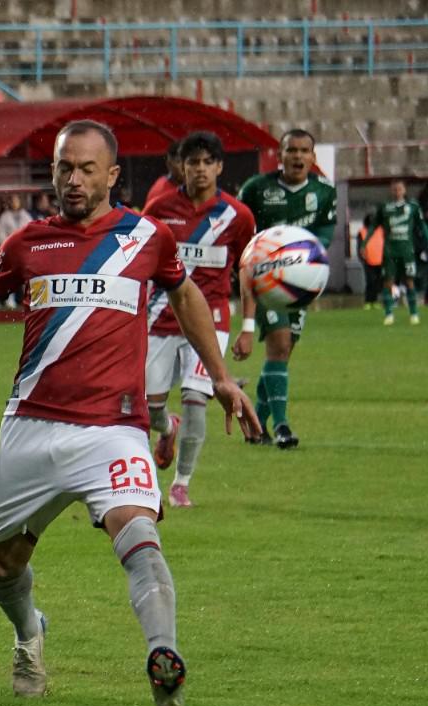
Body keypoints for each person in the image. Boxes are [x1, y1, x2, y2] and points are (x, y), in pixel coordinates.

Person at [0, 120, 259, 706]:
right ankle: (28, 636)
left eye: (86, 168)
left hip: (114, 429)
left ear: (113, 176)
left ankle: (164, 657)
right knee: (3, 563)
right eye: (64, 167)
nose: (72, 179)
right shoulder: (26, 244)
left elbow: (188, 295)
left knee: (139, 533)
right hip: (32, 426)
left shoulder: (147, 238)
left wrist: (219, 375)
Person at [141, 131, 256, 508]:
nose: (201, 169)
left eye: (208, 162)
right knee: (150, 406)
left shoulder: (237, 217)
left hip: (212, 321)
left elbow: (249, 271)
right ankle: (166, 427)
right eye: (193, 162)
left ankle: (181, 484)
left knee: (195, 397)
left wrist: (248, 327)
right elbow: (139, 262)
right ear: (181, 167)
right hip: (160, 316)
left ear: (220, 167)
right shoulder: (159, 209)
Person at [235, 128, 337, 449]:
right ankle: (281, 426)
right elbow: (239, 227)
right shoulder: (257, 188)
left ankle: (256, 420)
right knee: (278, 346)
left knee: (283, 354)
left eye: (304, 151)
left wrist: (300, 259)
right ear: (279, 156)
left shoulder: (324, 192)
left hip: (300, 282)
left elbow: (325, 233)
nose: (297, 156)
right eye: (291, 150)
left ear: (313, 157)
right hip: (265, 279)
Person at [362, 180, 428, 326]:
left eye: (400, 189)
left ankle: (413, 313)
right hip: (390, 251)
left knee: (409, 281)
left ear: (404, 190)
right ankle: (389, 314)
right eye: (394, 189)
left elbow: (422, 226)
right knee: (388, 282)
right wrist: (364, 244)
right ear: (391, 191)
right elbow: (374, 226)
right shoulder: (385, 207)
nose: (397, 192)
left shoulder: (412, 207)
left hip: (406, 250)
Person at [354, 214, 384, 310]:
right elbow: (359, 246)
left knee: (378, 282)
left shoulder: (381, 230)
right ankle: (368, 301)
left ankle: (374, 301)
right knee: (370, 281)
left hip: (380, 260)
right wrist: (362, 258)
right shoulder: (362, 232)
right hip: (368, 261)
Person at [144, 140, 183, 208]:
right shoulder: (159, 191)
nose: (184, 167)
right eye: (179, 162)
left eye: (190, 162)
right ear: (169, 164)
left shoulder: (200, 188)